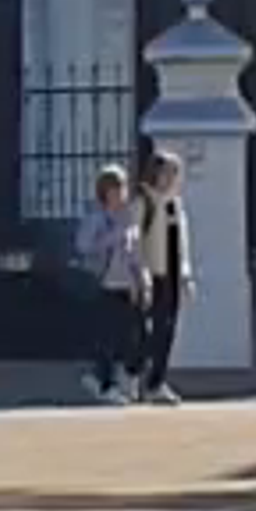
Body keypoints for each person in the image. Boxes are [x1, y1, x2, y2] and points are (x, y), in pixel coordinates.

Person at [74, 164, 145, 401]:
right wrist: (110, 238)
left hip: (127, 285)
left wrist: (140, 280)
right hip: (104, 283)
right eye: (114, 189)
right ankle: (104, 383)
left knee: (133, 336)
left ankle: (124, 378)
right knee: (107, 337)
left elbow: (135, 252)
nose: (119, 194)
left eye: (122, 188)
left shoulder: (129, 219)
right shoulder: (97, 218)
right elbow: (83, 246)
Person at [132, 136, 191, 400]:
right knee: (148, 329)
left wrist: (185, 274)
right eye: (166, 173)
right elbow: (134, 241)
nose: (171, 179)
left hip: (173, 274)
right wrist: (140, 272)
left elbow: (181, 241)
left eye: (174, 174)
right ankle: (135, 374)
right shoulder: (143, 201)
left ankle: (157, 381)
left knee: (167, 329)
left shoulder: (174, 205)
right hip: (151, 274)